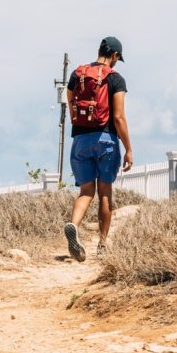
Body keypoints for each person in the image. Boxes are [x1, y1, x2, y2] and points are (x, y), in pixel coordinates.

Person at [63, 37, 133, 261]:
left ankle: (73, 225)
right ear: (114, 55)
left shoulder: (78, 75)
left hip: (81, 140)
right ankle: (102, 245)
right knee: (105, 193)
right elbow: (119, 117)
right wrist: (129, 149)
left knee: (86, 191)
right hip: (106, 140)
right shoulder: (115, 79)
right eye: (117, 59)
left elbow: (72, 106)